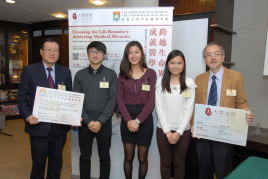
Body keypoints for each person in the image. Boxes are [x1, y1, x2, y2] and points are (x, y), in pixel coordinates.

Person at [191, 42, 254, 179]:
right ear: (205, 59)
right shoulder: (199, 79)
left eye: (216, 53)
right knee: (204, 169)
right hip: (203, 131)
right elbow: (195, 104)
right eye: (209, 55)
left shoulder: (236, 76)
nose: (213, 57)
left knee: (222, 170)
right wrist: (193, 124)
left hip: (224, 132)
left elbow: (241, 102)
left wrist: (246, 113)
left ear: (223, 57)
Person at [17, 38, 72, 179]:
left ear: (59, 53)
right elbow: (22, 98)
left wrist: (72, 115)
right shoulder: (29, 70)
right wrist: (28, 116)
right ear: (41, 52)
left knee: (56, 164)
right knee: (38, 165)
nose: (52, 53)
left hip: (59, 128)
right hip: (38, 126)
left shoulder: (65, 72)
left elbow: (69, 98)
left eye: (55, 50)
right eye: (48, 50)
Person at [73, 41, 117, 179]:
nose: (95, 55)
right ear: (87, 54)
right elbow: (76, 100)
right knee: (85, 157)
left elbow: (112, 100)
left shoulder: (111, 74)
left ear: (104, 55)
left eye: (98, 52)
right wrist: (88, 121)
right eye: (92, 51)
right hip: (85, 123)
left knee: (104, 157)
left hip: (104, 123)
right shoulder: (79, 75)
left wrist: (100, 122)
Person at [117, 41, 156, 179]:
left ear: (142, 54)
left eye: (136, 52)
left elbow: (151, 101)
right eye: (130, 52)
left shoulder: (151, 73)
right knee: (128, 157)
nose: (133, 55)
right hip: (127, 118)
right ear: (126, 55)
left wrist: (138, 121)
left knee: (142, 158)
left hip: (144, 119)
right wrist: (129, 121)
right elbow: (119, 100)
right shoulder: (122, 74)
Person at [155, 50, 196, 179]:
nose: (176, 66)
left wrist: (178, 132)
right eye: (172, 63)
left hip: (183, 131)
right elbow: (159, 108)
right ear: (167, 64)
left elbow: (189, 109)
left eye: (179, 63)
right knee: (165, 162)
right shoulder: (161, 82)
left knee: (179, 163)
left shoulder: (189, 83)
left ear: (183, 65)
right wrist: (167, 131)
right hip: (163, 130)